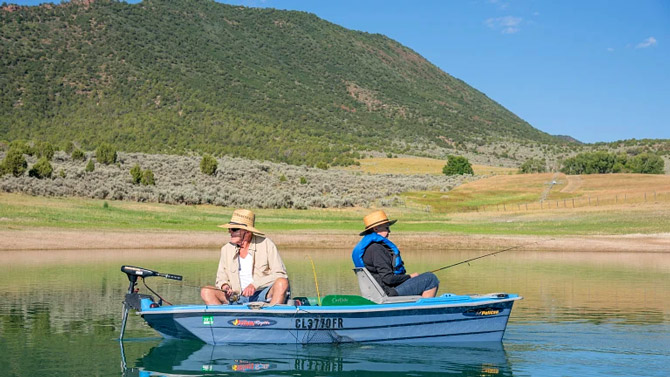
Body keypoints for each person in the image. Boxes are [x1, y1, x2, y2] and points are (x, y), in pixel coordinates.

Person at [201, 209, 289, 305]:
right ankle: (225, 318)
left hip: (261, 294)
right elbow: (221, 278)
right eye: (230, 229)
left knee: (282, 283)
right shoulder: (226, 249)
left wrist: (255, 285)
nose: (230, 231)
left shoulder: (266, 244)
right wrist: (225, 286)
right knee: (206, 291)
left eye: (234, 229)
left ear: (247, 232)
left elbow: (280, 274)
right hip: (235, 297)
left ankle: (273, 317)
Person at [352, 210, 439, 297]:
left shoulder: (370, 248)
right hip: (388, 292)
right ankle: (422, 309)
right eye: (386, 228)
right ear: (376, 229)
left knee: (425, 279)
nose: (389, 231)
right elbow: (388, 279)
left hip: (381, 291)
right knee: (430, 279)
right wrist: (410, 276)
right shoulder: (376, 249)